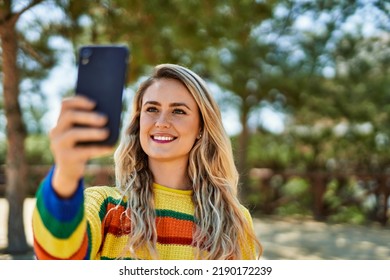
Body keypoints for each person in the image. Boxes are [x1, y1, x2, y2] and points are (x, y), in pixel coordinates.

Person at [32, 63, 263, 260]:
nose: (161, 122)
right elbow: (57, 258)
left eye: (178, 111)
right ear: (138, 121)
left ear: (201, 128)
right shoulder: (105, 207)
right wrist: (66, 173)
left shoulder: (234, 220)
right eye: (152, 109)